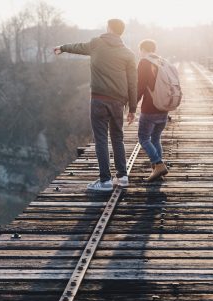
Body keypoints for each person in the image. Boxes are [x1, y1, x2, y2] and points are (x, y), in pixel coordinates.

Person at [54, 19, 137, 191]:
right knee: (118, 138)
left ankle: (105, 181)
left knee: (101, 139)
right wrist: (133, 108)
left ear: (108, 28)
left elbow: (79, 47)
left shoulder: (96, 43)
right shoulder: (128, 53)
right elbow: (132, 82)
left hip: (99, 99)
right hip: (118, 101)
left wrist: (62, 47)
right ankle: (122, 177)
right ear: (121, 32)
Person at [137, 39, 169, 182]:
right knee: (155, 138)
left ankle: (158, 164)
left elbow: (140, 87)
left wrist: (132, 106)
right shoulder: (162, 62)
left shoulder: (144, 62)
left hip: (150, 109)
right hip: (164, 107)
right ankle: (157, 171)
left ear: (143, 49)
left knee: (143, 138)